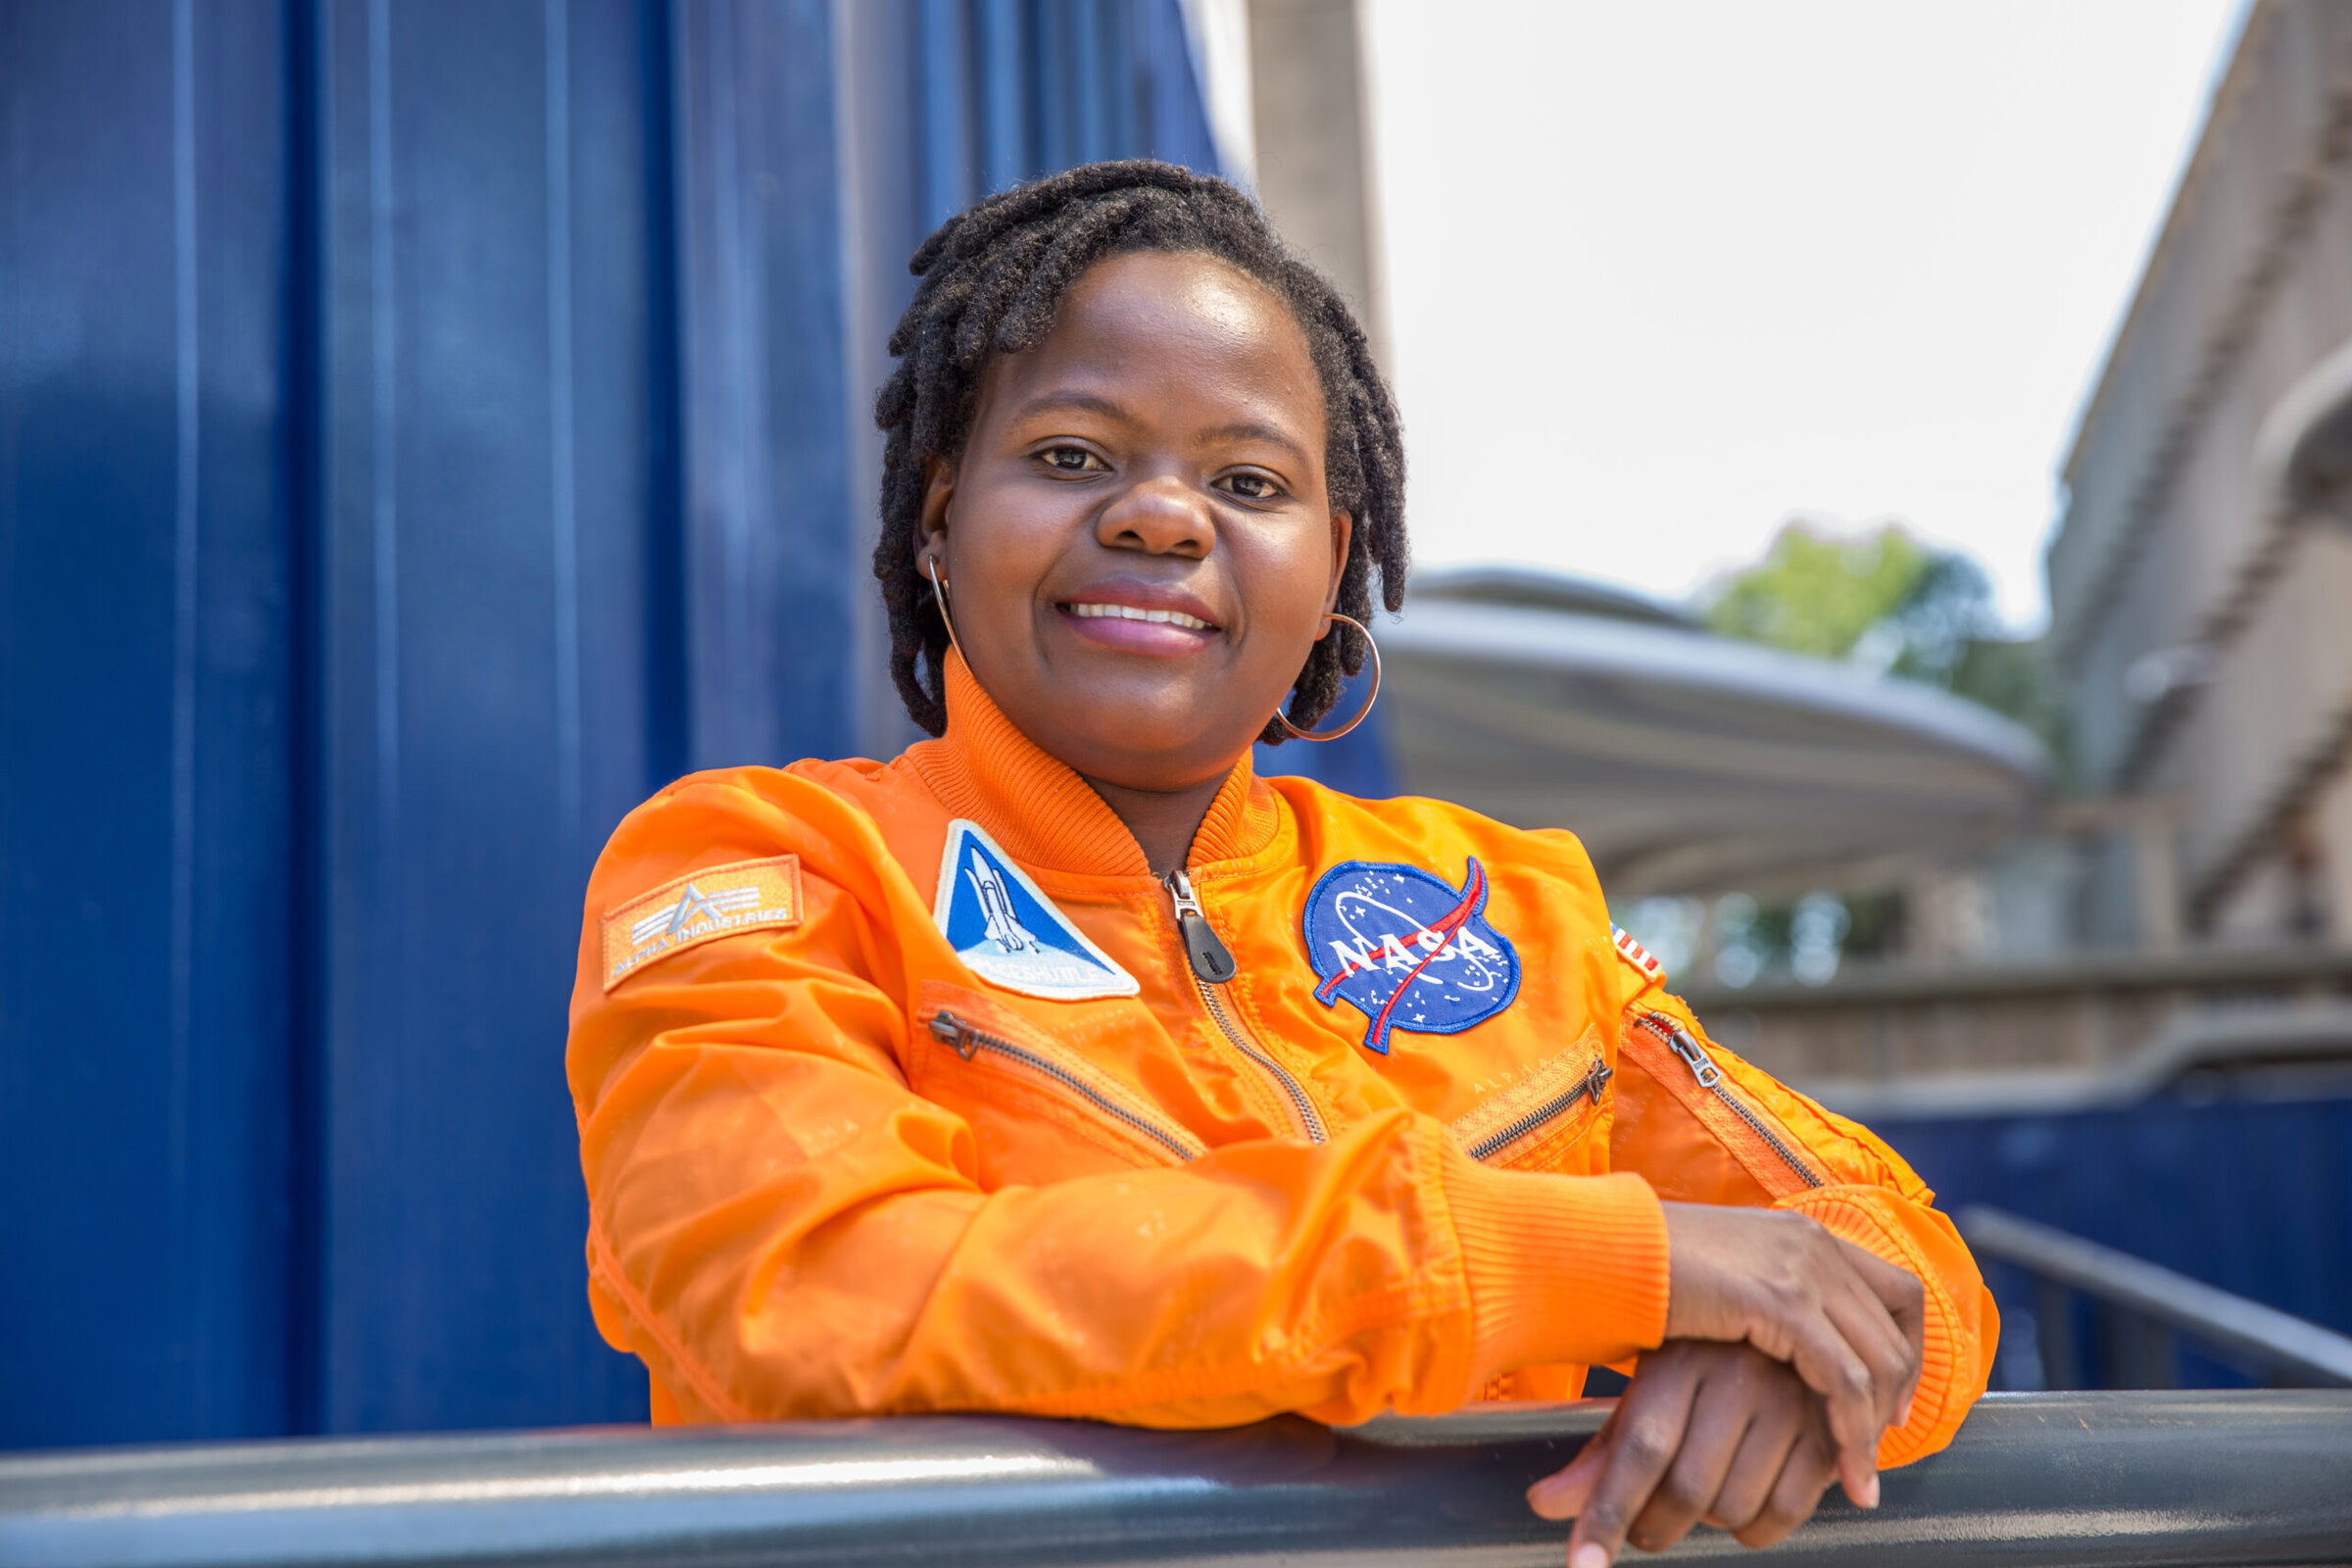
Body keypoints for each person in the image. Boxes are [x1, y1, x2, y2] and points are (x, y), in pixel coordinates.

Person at [566, 161, 1995, 1566]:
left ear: (1332, 567)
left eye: (1248, 480)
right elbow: (815, 1298)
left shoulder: (1498, 900)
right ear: (940, 514)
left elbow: (1894, 1259)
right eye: (1071, 456)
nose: (1162, 517)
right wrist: (1592, 1262)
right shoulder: (771, 869)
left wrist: (1799, 1370)